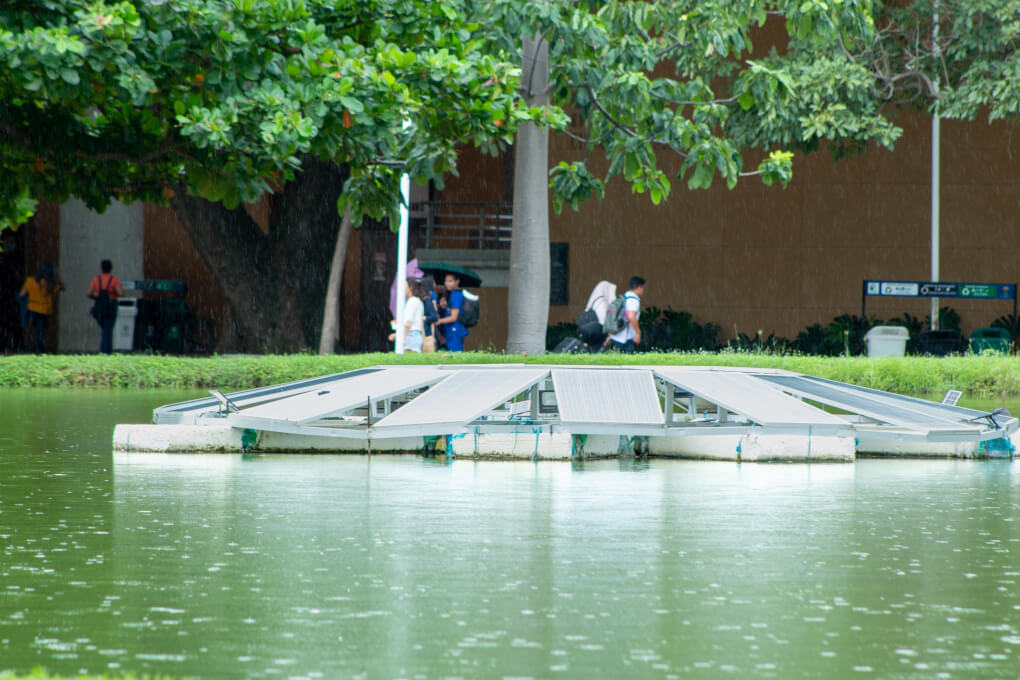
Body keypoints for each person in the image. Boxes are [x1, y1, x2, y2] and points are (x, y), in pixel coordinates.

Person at [18, 261, 65, 354]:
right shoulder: (50, 284)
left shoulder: (30, 280)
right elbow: (62, 287)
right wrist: (57, 275)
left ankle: (37, 347)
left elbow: (22, 294)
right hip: (45, 310)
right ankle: (39, 348)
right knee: (42, 330)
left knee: (37, 330)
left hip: (32, 309)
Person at [87, 259, 125, 354]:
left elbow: (88, 293)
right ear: (111, 268)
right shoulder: (114, 279)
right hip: (110, 306)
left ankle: (105, 351)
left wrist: (97, 298)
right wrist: (113, 293)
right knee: (107, 330)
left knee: (105, 329)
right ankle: (105, 352)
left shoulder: (96, 279)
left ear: (101, 268)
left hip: (99, 307)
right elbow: (121, 293)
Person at [607, 276, 645, 354]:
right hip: (625, 338)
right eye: (643, 288)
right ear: (639, 287)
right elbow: (631, 317)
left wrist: (610, 334)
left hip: (616, 335)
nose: (643, 290)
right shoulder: (633, 300)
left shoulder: (623, 297)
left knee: (617, 360)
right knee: (628, 362)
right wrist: (638, 333)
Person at [388, 277, 425, 353]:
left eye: (405, 286)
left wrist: (402, 338)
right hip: (414, 335)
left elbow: (408, 323)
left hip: (411, 337)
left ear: (410, 288)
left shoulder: (412, 301)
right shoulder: (417, 301)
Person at [435, 272, 469, 352]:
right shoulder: (454, 294)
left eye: (450, 281)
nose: (447, 284)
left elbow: (454, 317)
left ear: (457, 282)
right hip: (453, 331)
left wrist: (439, 321)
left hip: (454, 331)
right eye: (446, 281)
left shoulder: (455, 295)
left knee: (454, 356)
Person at [420, 275, 440, 353]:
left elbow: (435, 315)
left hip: (427, 333)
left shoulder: (428, 297)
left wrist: (424, 318)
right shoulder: (427, 296)